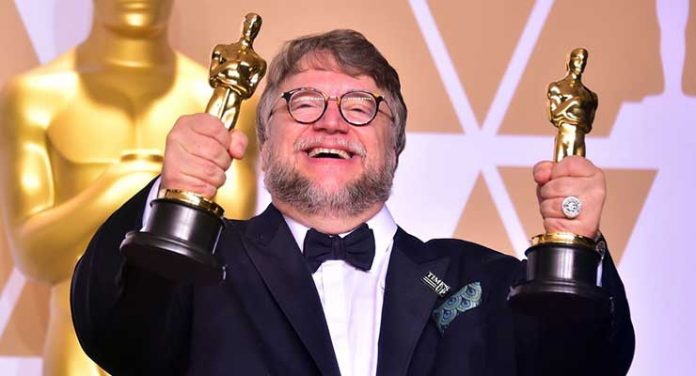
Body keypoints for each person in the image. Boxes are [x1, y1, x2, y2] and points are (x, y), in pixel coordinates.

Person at [71, 29, 634, 375]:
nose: (332, 122)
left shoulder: (486, 283)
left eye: (362, 105)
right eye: (304, 102)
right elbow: (111, 327)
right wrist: (172, 195)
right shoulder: (198, 271)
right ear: (265, 140)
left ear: (396, 144)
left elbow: (590, 365)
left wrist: (578, 246)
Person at [0, 0, 257, 374]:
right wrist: (134, 182)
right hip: (76, 348)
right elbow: (33, 253)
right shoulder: (34, 97)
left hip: (183, 339)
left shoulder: (230, 103)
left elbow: (228, 243)